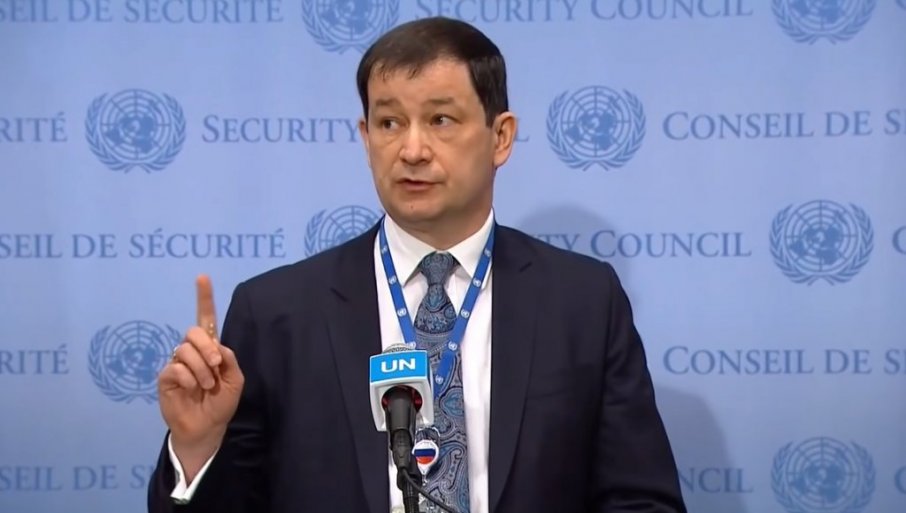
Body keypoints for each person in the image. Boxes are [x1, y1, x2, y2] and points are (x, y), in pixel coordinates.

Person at [148, 16, 686, 513]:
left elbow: (641, 501)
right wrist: (196, 449)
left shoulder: (583, 301)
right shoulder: (277, 313)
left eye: (440, 119)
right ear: (366, 138)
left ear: (500, 137)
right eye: (389, 122)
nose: (411, 149)